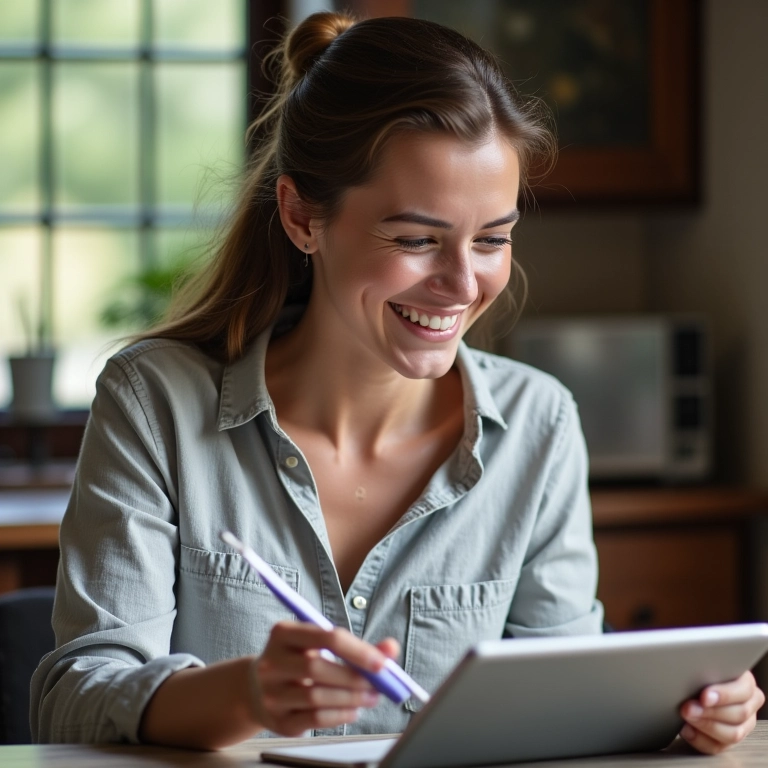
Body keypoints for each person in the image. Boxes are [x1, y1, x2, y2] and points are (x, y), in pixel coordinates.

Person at [31, 11, 763, 754]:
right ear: (301, 217)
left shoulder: (540, 424)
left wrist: (679, 715)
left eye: (492, 239)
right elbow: (75, 697)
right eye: (416, 239)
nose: (460, 283)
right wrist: (248, 693)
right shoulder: (153, 404)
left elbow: (568, 712)